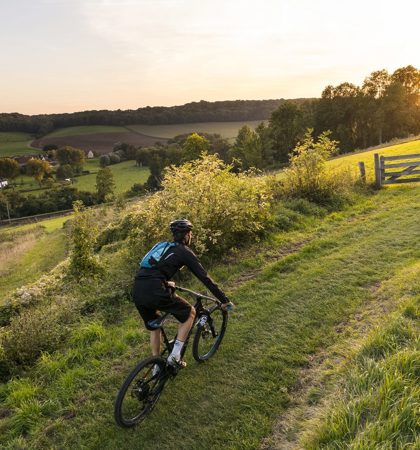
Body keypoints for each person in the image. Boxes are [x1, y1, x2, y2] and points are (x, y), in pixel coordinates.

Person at [133, 218, 232, 368]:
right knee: (190, 313)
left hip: (137, 290)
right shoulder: (184, 251)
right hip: (156, 290)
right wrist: (224, 299)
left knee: (155, 325)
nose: (191, 236)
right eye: (190, 233)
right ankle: (175, 357)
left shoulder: (161, 246)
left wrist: (165, 282)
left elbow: (148, 269)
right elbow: (204, 278)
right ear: (186, 235)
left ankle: (156, 364)